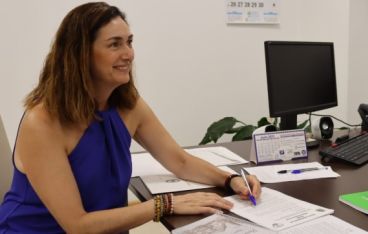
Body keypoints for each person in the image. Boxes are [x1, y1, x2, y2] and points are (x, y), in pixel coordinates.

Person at [0, 2, 261, 233]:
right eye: (115, 44)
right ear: (80, 54)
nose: (129, 54)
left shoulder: (127, 104)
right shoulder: (43, 122)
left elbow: (179, 161)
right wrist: (165, 204)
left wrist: (230, 179)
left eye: (129, 42)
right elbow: (77, 225)